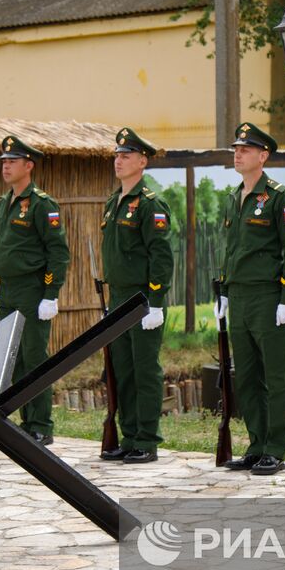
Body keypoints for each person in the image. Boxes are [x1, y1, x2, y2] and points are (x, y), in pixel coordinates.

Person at [215, 122, 285, 475]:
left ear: (263, 156)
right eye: (236, 148)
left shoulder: (280, 196)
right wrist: (224, 290)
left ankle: (275, 449)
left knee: (276, 375)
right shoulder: (234, 197)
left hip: (268, 297)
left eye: (245, 149)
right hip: (240, 296)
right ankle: (256, 444)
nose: (238, 153)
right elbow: (231, 249)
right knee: (247, 375)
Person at [99, 127, 174, 464]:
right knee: (123, 369)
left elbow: (161, 258)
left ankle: (146, 439)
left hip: (143, 299)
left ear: (142, 161)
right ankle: (128, 436)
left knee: (144, 370)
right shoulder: (114, 202)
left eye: (126, 155)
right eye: (116, 155)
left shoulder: (150, 204)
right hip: (118, 298)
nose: (119, 160)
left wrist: (155, 303)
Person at [0, 135, 70, 445]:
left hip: (32, 290)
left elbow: (58, 252)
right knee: (15, 360)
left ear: (29, 166)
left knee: (34, 357)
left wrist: (51, 294)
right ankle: (25, 420)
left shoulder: (42, 204)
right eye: (3, 162)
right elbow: (3, 248)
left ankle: (41, 425)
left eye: (12, 161)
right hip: (8, 290)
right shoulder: (5, 201)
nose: (6, 166)